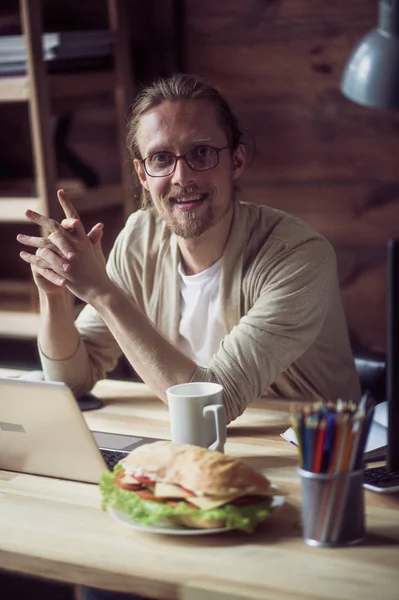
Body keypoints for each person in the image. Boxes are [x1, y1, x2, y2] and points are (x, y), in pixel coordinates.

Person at [17, 72, 360, 425]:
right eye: (161, 158)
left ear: (236, 161)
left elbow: (211, 407)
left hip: (309, 455)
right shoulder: (140, 238)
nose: (181, 176)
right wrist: (55, 295)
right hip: (194, 448)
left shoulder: (298, 255)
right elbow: (70, 381)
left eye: (201, 153)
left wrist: (102, 293)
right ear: (143, 175)